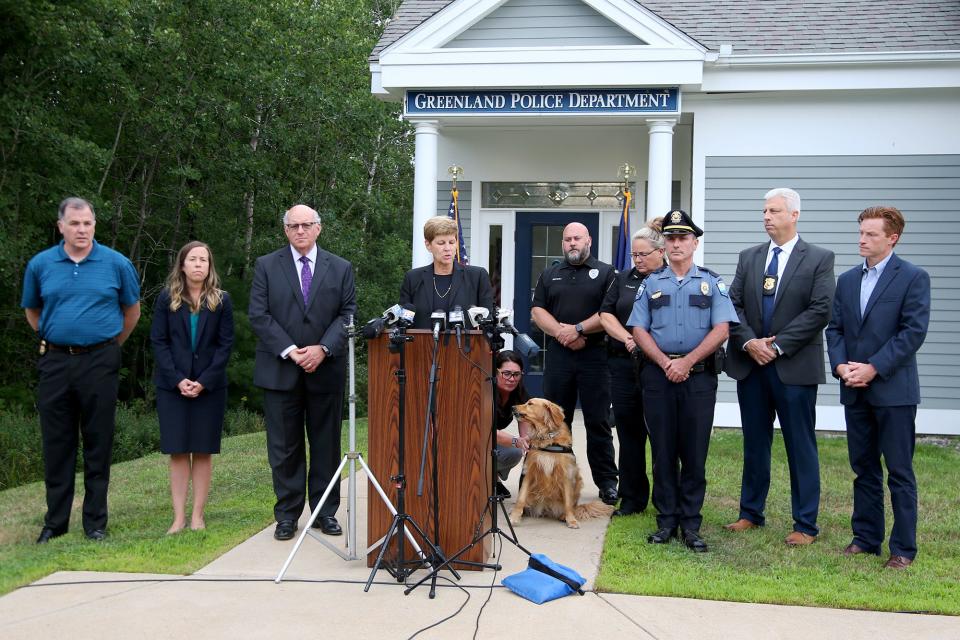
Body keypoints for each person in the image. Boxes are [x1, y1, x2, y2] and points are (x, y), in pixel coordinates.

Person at [22, 197, 141, 543]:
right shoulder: (41, 264)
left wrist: (108, 345)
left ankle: (95, 523)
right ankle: (55, 523)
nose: (82, 230)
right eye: (75, 223)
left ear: (94, 226)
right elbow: (33, 311)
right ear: (61, 226)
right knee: (57, 442)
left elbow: (131, 311)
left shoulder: (116, 263)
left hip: (100, 360)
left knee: (97, 442)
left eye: (87, 223)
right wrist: (57, 335)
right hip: (56, 362)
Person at [723, 188, 836, 546]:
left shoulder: (819, 258)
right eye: (764, 211)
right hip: (752, 365)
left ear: (794, 215)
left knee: (799, 445)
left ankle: (805, 524)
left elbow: (820, 310)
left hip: (794, 368)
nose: (767, 217)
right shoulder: (750, 257)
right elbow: (734, 305)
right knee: (755, 443)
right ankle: (750, 513)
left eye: (774, 211)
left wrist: (779, 345)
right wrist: (749, 342)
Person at [826, 206, 930, 569]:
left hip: (893, 391)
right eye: (861, 232)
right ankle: (866, 538)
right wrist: (841, 366)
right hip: (854, 388)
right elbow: (835, 328)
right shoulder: (849, 280)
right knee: (863, 468)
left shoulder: (913, 278)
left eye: (871, 234)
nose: (862, 239)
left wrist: (873, 368)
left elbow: (912, 333)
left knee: (899, 472)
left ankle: (902, 549)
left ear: (892, 238)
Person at [629, 209, 737, 552]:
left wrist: (687, 362)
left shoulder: (712, 282)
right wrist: (665, 362)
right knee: (662, 451)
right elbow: (638, 329)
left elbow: (722, 329)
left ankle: (691, 525)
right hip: (658, 377)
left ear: (694, 242)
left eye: (683, 238)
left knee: (693, 452)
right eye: (671, 238)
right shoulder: (650, 284)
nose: (676, 244)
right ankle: (666, 522)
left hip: (698, 379)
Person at [249, 204, 356, 541]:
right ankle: (287, 515)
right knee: (284, 448)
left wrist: (322, 348)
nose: (300, 231)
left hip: (325, 370)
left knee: (326, 445)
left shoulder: (340, 268)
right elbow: (259, 315)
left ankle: (325, 512)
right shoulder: (267, 266)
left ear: (318, 228)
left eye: (306, 225)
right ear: (285, 230)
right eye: (293, 226)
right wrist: (292, 351)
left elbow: (347, 314)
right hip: (281, 370)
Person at [531, 222, 619, 505]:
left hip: (595, 357)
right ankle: (552, 484)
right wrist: (562, 333)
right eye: (567, 239)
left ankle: (607, 483)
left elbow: (609, 311)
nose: (572, 243)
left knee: (598, 422)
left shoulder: (605, 273)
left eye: (577, 238)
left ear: (588, 240)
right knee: (554, 422)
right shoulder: (550, 274)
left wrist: (579, 329)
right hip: (559, 357)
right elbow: (537, 310)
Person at [150, 241, 234, 534]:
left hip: (209, 388)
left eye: (204, 260)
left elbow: (225, 346)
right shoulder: (166, 299)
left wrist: (204, 381)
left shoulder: (222, 300)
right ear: (182, 265)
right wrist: (177, 379)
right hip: (172, 387)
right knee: (177, 451)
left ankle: (198, 515)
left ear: (210, 267)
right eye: (193, 259)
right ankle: (178, 517)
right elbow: (159, 342)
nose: (199, 264)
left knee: (202, 450)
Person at [599, 219, 666, 516]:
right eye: (634, 255)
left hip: (658, 366)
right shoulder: (623, 278)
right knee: (628, 433)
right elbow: (605, 314)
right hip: (623, 365)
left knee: (662, 435)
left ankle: (666, 498)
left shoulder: (669, 278)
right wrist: (628, 337)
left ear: (660, 252)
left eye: (643, 255)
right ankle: (632, 498)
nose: (637, 260)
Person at [400, 216, 494, 328]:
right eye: (441, 243)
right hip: (423, 345)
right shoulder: (413, 278)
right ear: (428, 245)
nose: (447, 248)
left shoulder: (477, 276)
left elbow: (489, 322)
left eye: (451, 242)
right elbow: (402, 322)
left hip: (464, 344)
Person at [492, 350, 532, 498]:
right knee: (514, 447)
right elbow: (488, 431)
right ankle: (484, 480)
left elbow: (524, 420)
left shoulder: (518, 392)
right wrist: (517, 441)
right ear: (496, 372)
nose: (512, 379)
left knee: (516, 452)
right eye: (506, 373)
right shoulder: (486, 390)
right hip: (471, 442)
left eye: (516, 374)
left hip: (491, 440)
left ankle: (492, 480)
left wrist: (527, 442)